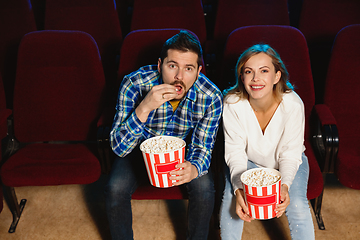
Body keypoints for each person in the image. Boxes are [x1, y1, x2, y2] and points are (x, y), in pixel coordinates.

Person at [105, 30, 223, 240]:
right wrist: (144, 108)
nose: (179, 76)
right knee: (115, 188)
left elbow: (203, 147)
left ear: (198, 71)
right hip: (138, 147)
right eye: (172, 66)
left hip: (183, 151)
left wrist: (194, 168)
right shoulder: (135, 83)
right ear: (160, 65)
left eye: (188, 69)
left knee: (204, 190)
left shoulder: (211, 96)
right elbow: (119, 148)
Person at [219, 44, 315, 240]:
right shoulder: (231, 103)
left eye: (264, 71)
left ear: (277, 76)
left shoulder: (293, 104)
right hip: (248, 162)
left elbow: (290, 153)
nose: (256, 79)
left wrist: (285, 185)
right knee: (232, 197)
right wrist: (238, 188)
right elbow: (235, 152)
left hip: (287, 162)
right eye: (249, 71)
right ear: (242, 77)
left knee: (296, 203)